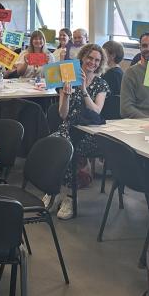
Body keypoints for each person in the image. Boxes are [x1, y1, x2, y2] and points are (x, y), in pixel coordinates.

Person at [54, 44, 110, 220]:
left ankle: (71, 197)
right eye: (90, 58)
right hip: (68, 126)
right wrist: (67, 94)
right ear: (82, 58)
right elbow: (63, 114)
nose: (92, 62)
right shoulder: (68, 77)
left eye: (97, 60)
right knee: (53, 146)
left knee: (71, 150)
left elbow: (96, 112)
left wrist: (84, 89)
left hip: (90, 132)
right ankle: (53, 191)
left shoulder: (101, 84)